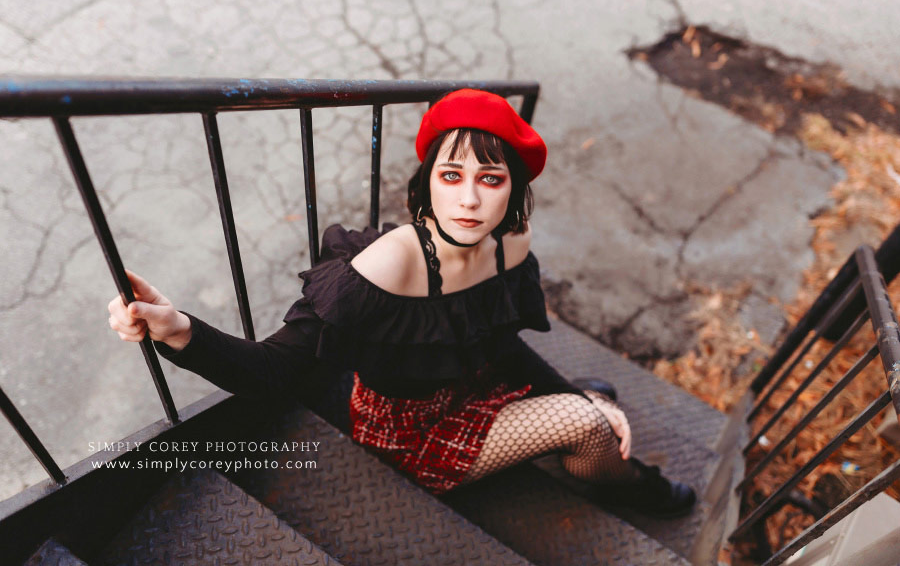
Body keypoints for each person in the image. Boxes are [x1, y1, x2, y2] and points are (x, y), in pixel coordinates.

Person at [107, 89, 695, 517]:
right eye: (451, 174)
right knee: (590, 422)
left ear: (514, 189)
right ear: (426, 182)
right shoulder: (382, 269)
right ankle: (631, 484)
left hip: (475, 386)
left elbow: (498, 343)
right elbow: (271, 373)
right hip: (411, 432)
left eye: (490, 179)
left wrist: (563, 392)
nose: (468, 200)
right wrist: (177, 327)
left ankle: (577, 423)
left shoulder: (511, 244)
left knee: (579, 404)